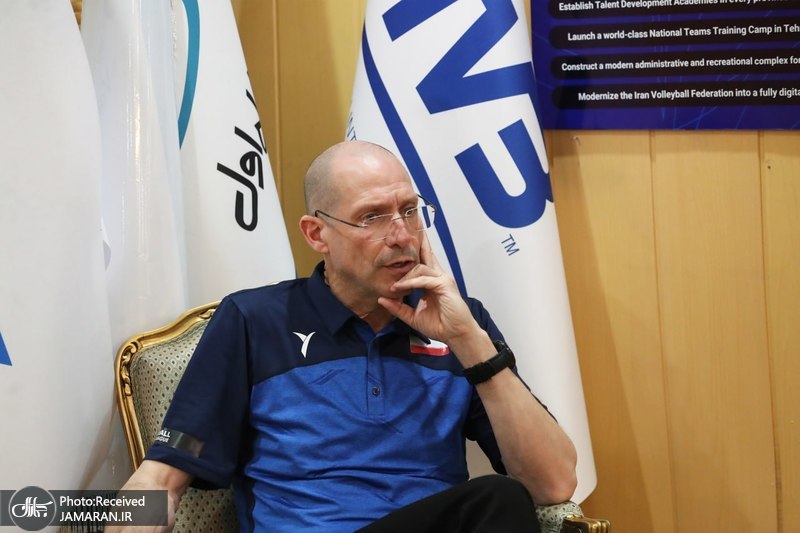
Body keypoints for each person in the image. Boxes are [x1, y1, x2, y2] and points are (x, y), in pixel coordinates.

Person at [114, 141, 577, 532]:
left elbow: (553, 485)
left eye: (410, 211)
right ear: (317, 234)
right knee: (495, 499)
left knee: (501, 500)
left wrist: (470, 343)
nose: (402, 235)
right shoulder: (254, 321)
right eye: (372, 217)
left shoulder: (460, 322)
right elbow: (162, 477)